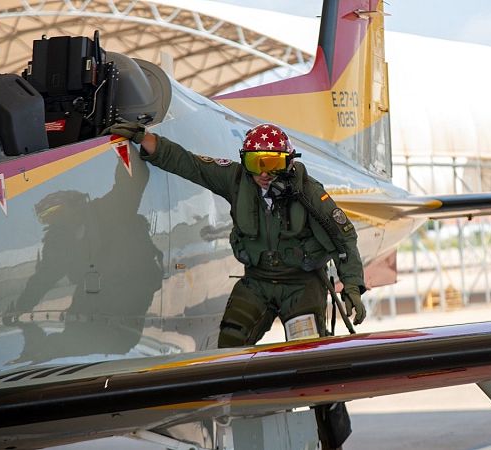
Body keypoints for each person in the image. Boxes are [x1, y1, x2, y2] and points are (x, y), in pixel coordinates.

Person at [106, 121, 366, 449]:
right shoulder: (235, 180)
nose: (264, 173)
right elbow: (190, 165)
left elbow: (343, 236)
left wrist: (354, 285)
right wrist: (146, 139)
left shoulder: (308, 192)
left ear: (288, 161)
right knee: (226, 356)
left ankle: (332, 440)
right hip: (257, 283)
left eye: (273, 163)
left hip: (301, 286)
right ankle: (234, 427)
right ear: (245, 161)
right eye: (256, 162)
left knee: (312, 367)